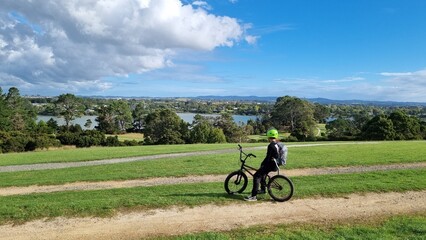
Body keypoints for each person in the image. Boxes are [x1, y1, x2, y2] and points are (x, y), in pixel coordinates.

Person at [244, 128, 280, 201]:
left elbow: (268, 157)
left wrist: (263, 164)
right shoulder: (276, 144)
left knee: (256, 176)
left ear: (269, 136)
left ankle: (253, 196)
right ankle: (263, 190)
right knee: (262, 175)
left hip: (270, 165)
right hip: (275, 164)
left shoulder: (270, 146)